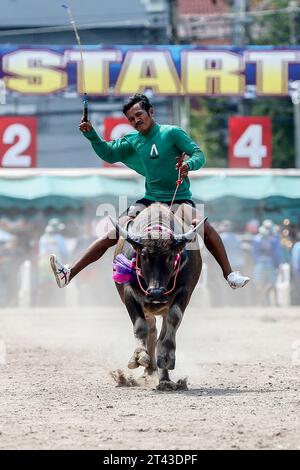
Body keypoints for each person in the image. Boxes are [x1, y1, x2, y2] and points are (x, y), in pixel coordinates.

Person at [50, 93, 249, 290]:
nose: (136, 120)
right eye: (131, 119)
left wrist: (189, 164)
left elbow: (199, 154)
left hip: (178, 200)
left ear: (151, 112)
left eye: (139, 115)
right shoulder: (133, 140)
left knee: (205, 227)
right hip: (149, 200)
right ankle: (69, 272)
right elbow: (108, 154)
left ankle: (229, 274)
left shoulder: (171, 133)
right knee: (112, 234)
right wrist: (91, 134)